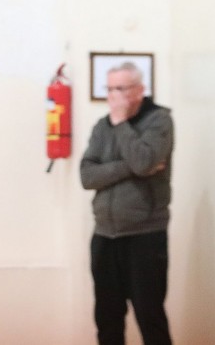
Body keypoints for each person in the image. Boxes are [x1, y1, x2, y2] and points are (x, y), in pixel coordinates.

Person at [80, 62, 174, 345]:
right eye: (109, 89)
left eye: (120, 88)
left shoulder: (159, 121)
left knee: (150, 317)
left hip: (144, 236)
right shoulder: (102, 126)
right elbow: (87, 176)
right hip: (105, 236)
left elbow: (143, 161)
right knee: (107, 318)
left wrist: (121, 124)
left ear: (139, 90)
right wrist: (128, 167)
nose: (113, 96)